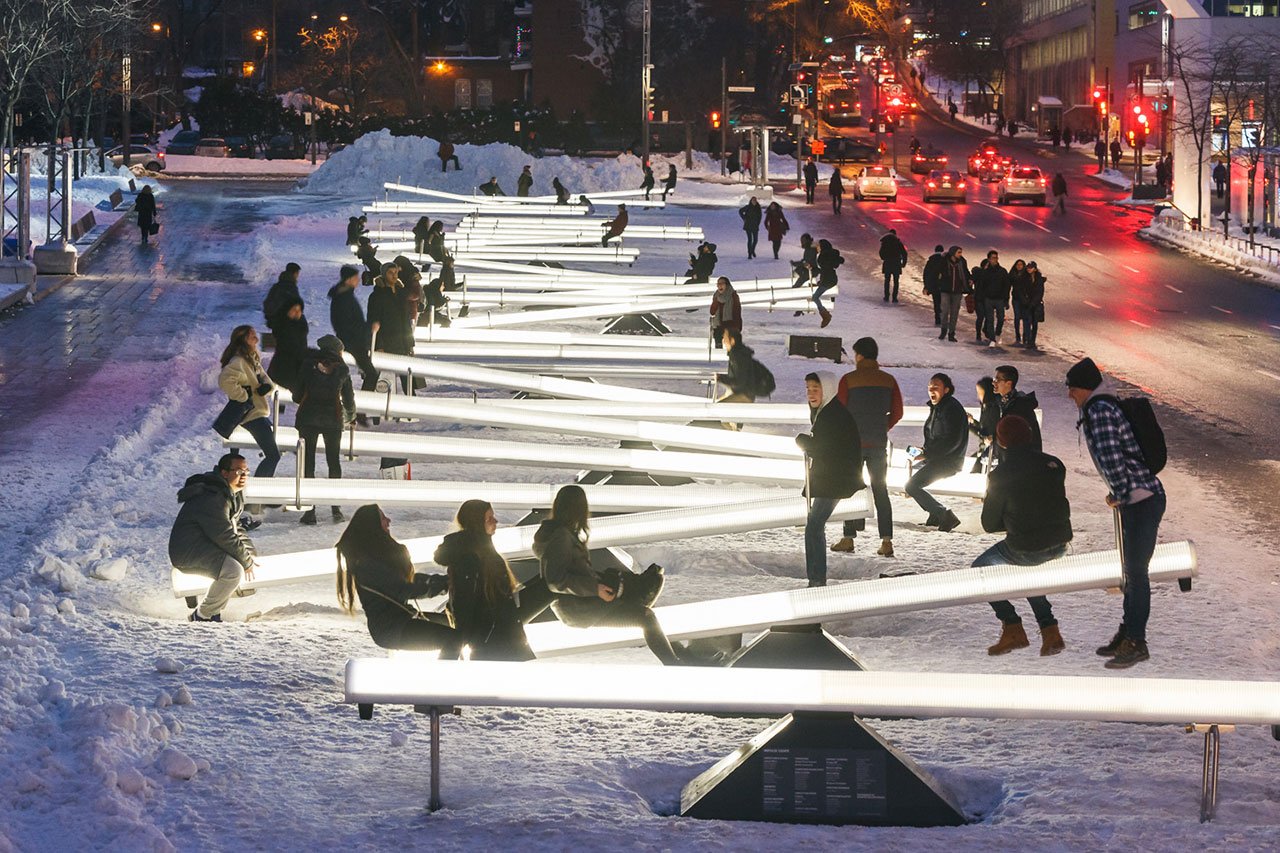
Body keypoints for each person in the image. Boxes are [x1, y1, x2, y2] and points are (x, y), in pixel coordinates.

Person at [1066, 357, 1165, 669]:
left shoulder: (1100, 411)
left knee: (1137, 573)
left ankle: (1136, 641)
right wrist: (1118, 494)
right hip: (1136, 498)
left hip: (1141, 499)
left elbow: (1112, 458)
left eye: (1072, 389)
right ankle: (1128, 633)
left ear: (1084, 388)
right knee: (1131, 572)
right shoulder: (1099, 408)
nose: (1070, 395)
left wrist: (1119, 494)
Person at [532, 486, 678, 664]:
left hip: (582, 603)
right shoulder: (561, 537)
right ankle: (676, 665)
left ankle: (681, 660)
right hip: (579, 609)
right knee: (646, 617)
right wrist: (596, 587)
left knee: (644, 613)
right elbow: (555, 581)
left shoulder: (562, 533)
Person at [974, 415, 1071, 657]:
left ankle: (1012, 625)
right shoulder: (1055, 464)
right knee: (1027, 567)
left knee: (980, 569)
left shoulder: (1000, 476)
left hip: (1027, 547)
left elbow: (988, 524)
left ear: (1001, 442)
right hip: (1060, 543)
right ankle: (1049, 630)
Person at [433, 500, 548, 661]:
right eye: (489, 518)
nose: (496, 521)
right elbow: (464, 605)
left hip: (500, 637)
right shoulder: (470, 559)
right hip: (496, 642)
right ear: (477, 523)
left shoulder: (481, 551)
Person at [336, 505, 458, 652]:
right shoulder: (368, 564)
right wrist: (445, 585)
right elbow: (403, 589)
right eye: (382, 518)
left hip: (401, 619)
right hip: (392, 628)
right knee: (452, 639)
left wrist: (444, 582)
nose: (388, 520)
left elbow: (408, 580)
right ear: (372, 526)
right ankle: (444, 674)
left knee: (455, 624)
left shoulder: (375, 557)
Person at [832, 337, 902, 557]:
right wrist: (883, 427)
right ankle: (886, 541)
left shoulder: (848, 380)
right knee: (881, 490)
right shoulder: (889, 380)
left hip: (853, 445)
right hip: (878, 443)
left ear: (859, 355)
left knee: (850, 488)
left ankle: (848, 537)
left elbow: (840, 413)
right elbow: (898, 412)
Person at [169, 452, 257, 622]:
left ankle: (212, 610)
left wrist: (249, 552)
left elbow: (235, 527)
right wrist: (245, 561)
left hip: (205, 545)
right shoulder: (213, 497)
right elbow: (224, 534)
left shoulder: (231, 494)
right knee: (233, 571)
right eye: (239, 472)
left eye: (246, 471)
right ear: (225, 473)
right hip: (189, 551)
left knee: (239, 562)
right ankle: (203, 615)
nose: (244, 476)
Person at [796, 372, 864, 587]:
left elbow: (825, 448)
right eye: (808, 389)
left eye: (816, 389)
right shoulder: (826, 411)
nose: (811, 394)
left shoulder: (832, 414)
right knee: (814, 525)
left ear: (827, 389)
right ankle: (816, 578)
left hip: (836, 479)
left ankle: (816, 580)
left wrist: (803, 441)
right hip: (833, 477)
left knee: (814, 526)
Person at [293, 335, 355, 525]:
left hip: (307, 419)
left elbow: (296, 394)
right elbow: (349, 397)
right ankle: (335, 509)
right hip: (333, 420)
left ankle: (310, 511)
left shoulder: (308, 365)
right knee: (333, 462)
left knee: (308, 463)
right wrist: (350, 416)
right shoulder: (342, 369)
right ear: (337, 350)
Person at [904, 373, 968, 532]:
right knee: (915, 483)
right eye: (929, 388)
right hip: (939, 458)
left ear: (946, 390)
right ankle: (935, 515)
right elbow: (937, 435)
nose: (931, 391)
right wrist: (924, 450)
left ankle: (944, 514)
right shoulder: (939, 407)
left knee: (912, 485)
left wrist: (927, 453)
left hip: (948, 460)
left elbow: (952, 440)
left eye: (936, 387)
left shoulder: (950, 408)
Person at [217, 326, 280, 480]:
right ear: (244, 340)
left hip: (253, 412)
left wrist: (266, 387)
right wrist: (244, 396)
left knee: (236, 455)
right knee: (273, 455)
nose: (257, 339)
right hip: (252, 413)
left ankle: (234, 485)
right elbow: (225, 380)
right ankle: (259, 492)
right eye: (252, 336)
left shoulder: (251, 359)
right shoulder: (239, 361)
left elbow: (268, 382)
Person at [329, 265, 377, 398]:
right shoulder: (344, 298)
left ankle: (358, 408)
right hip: (353, 342)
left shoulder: (343, 295)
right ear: (348, 280)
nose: (359, 280)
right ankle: (361, 407)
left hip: (351, 340)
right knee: (371, 373)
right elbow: (349, 324)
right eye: (356, 278)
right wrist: (369, 327)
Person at [367, 263, 415, 393]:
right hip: (386, 342)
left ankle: (413, 403)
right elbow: (373, 320)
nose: (394, 276)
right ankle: (363, 404)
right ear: (384, 274)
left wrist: (410, 344)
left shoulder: (401, 294)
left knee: (406, 376)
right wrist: (378, 345)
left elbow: (406, 320)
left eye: (396, 273)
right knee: (375, 375)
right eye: (390, 273)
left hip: (401, 342)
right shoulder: (377, 296)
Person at [994, 364, 1042, 457]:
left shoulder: (1019, 406)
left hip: (1022, 459)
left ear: (1008, 383)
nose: (994, 383)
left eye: (997, 380)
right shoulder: (1006, 401)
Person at [265, 294, 308, 396]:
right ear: (287, 311)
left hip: (299, 362)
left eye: (299, 309)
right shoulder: (283, 325)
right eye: (294, 309)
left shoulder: (301, 322)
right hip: (285, 365)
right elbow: (290, 347)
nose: (297, 312)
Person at [718, 327, 770, 405]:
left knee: (716, 409)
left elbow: (739, 382)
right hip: (743, 393)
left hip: (744, 395)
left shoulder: (737, 357)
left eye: (725, 339)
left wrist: (721, 378)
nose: (723, 341)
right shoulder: (738, 355)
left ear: (732, 341)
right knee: (714, 406)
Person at [967, 376, 1000, 472]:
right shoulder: (986, 407)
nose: (978, 396)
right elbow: (983, 430)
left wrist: (992, 437)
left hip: (992, 453)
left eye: (979, 392)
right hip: (986, 450)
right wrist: (972, 422)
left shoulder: (993, 408)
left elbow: (985, 433)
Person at [938, 246, 970, 342]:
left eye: (961, 252)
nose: (960, 254)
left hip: (957, 291)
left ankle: (951, 333)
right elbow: (938, 273)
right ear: (953, 253)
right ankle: (943, 329)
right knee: (944, 311)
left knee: (954, 313)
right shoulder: (944, 261)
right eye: (959, 252)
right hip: (945, 290)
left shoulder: (962, 262)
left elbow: (966, 272)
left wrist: (970, 280)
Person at [978, 249, 1009, 346]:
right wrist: (982, 298)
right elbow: (981, 285)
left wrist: (1006, 299)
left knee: (1000, 318)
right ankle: (992, 338)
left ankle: (998, 332)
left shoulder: (1002, 271)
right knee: (990, 319)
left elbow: (1006, 286)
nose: (995, 260)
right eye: (993, 258)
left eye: (996, 258)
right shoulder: (986, 272)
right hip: (988, 299)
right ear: (989, 259)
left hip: (999, 299)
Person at [813, 238, 842, 328]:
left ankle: (825, 315)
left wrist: (821, 281)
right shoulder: (825, 255)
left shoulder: (823, 256)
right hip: (829, 279)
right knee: (817, 296)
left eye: (818, 246)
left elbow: (825, 270)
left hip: (828, 280)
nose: (817, 248)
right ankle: (826, 313)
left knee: (815, 297)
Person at [709, 276, 741, 349]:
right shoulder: (716, 295)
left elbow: (737, 312)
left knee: (732, 348)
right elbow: (712, 312)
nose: (720, 285)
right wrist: (716, 301)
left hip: (730, 324)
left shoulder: (733, 296)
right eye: (718, 284)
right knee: (718, 346)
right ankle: (718, 359)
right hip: (718, 325)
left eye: (722, 283)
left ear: (727, 285)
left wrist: (738, 327)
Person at [1020, 261, 1046, 350]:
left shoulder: (1039, 279)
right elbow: (1021, 291)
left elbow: (1040, 292)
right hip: (1026, 304)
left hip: (1036, 304)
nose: (1028, 269)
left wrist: (1034, 302)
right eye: (1027, 268)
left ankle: (1032, 341)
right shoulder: (1023, 278)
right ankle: (1027, 339)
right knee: (1027, 322)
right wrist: (1025, 301)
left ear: (1034, 269)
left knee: (1034, 323)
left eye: (1030, 268)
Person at [879, 228, 908, 303]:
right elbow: (904, 253)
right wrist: (903, 263)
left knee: (887, 280)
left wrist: (884, 258)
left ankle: (886, 296)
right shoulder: (898, 243)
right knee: (896, 281)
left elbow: (881, 252)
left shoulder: (885, 242)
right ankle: (894, 297)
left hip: (888, 263)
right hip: (896, 263)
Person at [923, 244, 946, 326]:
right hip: (943, 285)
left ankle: (937, 318)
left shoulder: (931, 261)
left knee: (936, 302)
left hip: (933, 285)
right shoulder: (945, 260)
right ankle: (944, 317)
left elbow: (926, 274)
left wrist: (926, 286)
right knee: (944, 302)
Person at [1008, 259, 1030, 345]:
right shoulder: (1012, 274)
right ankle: (1018, 336)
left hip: (1024, 300)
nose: (1019, 266)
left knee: (1025, 318)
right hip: (1016, 299)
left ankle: (1025, 336)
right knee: (1017, 317)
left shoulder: (1027, 275)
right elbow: (1008, 285)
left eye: (1021, 265)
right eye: (1018, 264)